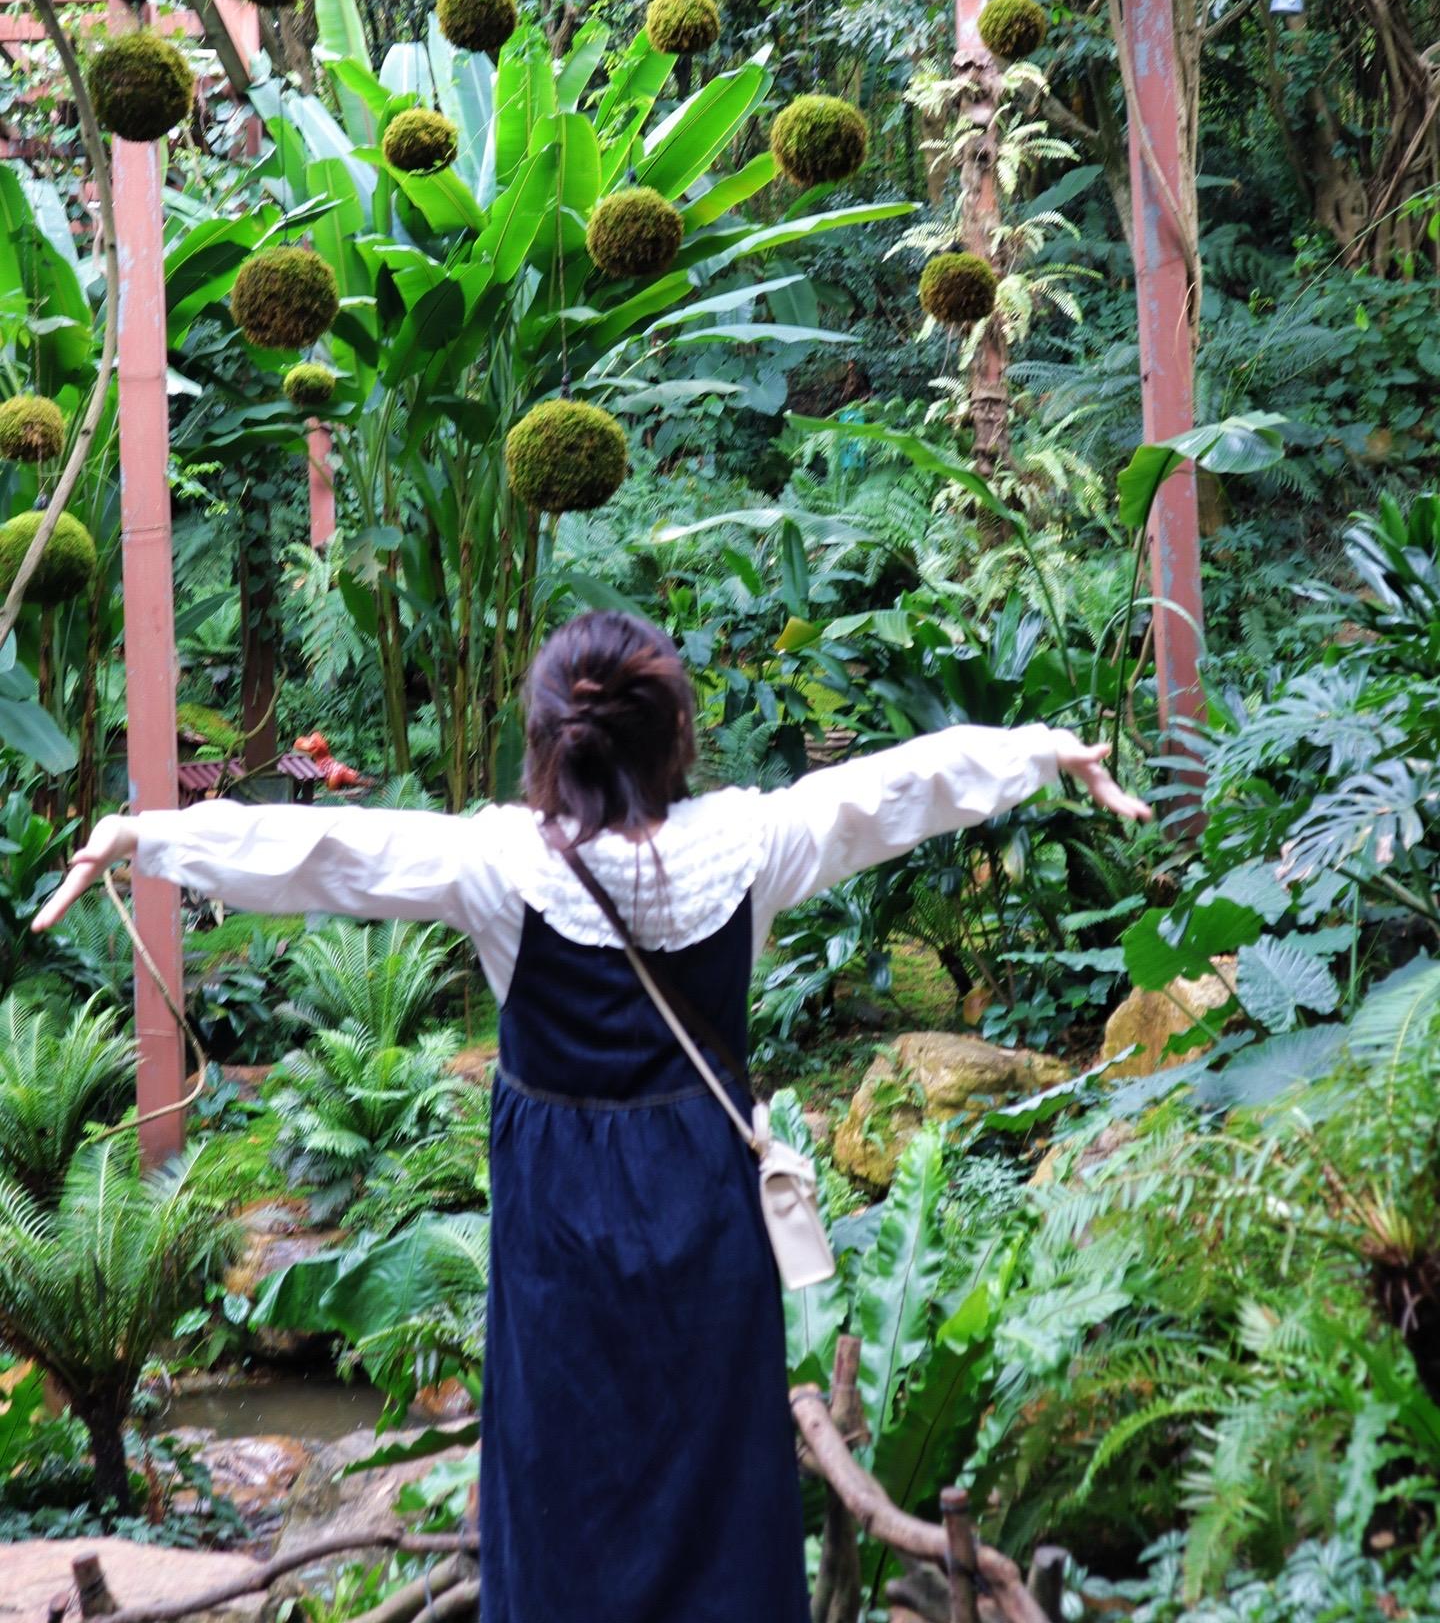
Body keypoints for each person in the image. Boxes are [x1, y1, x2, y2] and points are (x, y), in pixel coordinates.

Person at [37, 609, 1151, 1623]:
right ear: (675, 734)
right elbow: (887, 794)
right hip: (706, 1212)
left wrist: (149, 838)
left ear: (547, 742)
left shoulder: (500, 865)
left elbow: (339, 852)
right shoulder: (750, 846)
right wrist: (1038, 752)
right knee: (719, 1473)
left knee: (559, 1474)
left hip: (559, 1232)